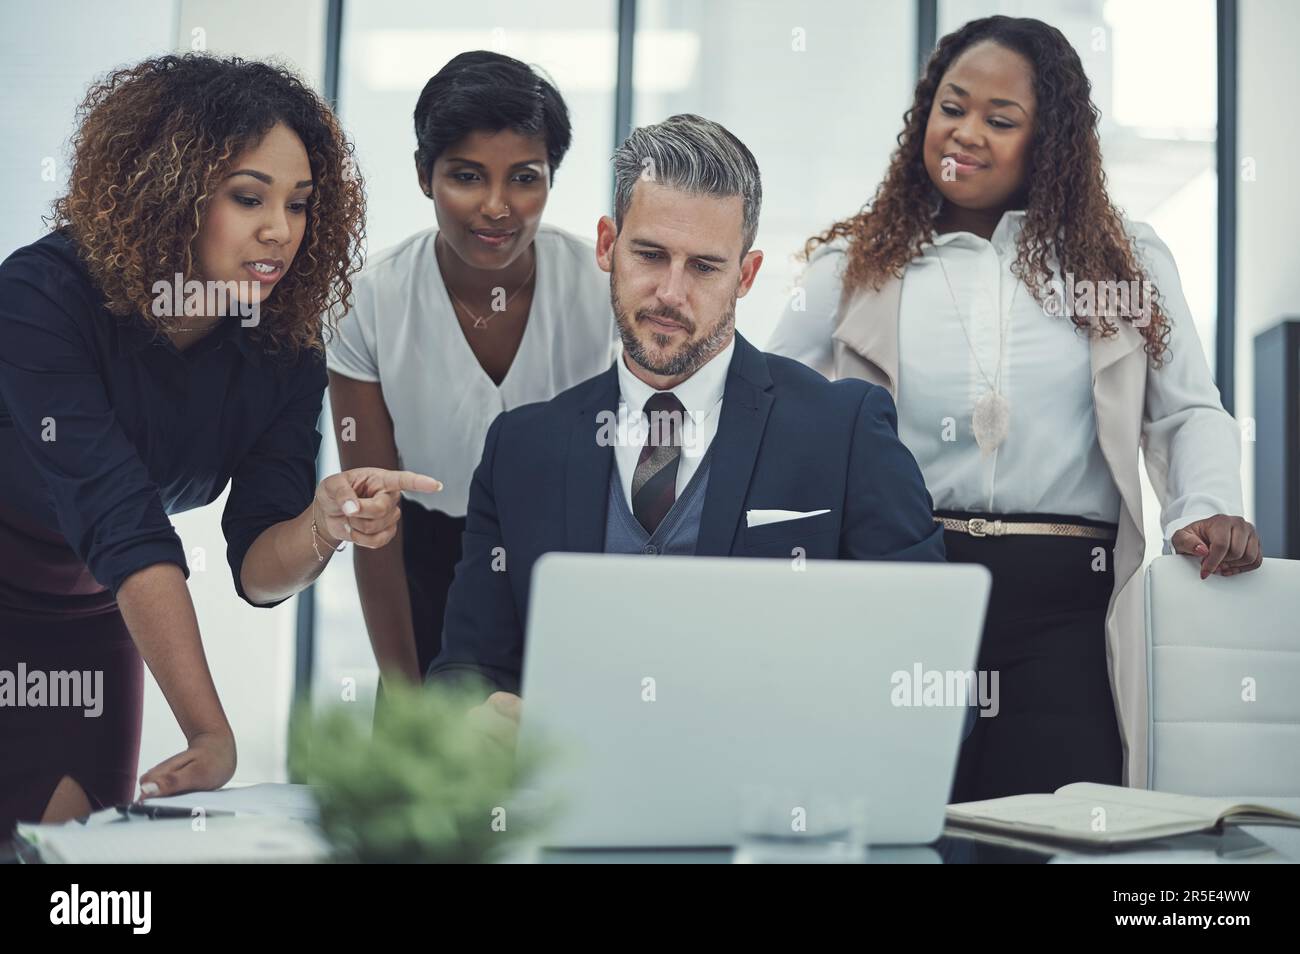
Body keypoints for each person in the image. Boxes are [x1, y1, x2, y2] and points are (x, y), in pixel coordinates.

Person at [767, 16, 1259, 798]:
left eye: (1001, 120)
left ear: (1050, 142)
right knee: (905, 825)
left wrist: (1206, 507)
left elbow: (1186, 411)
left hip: (1066, 607)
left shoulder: (1122, 260)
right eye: (951, 107)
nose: (965, 134)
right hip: (903, 592)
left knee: (1057, 824)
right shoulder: (855, 263)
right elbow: (773, 410)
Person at [0, 54, 435, 833]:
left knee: (71, 876)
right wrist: (209, 731)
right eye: (248, 197)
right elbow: (121, 517)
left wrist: (320, 525)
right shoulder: (40, 300)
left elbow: (257, 572)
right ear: (168, 192)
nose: (280, 230)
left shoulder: (284, 349)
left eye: (300, 205)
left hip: (89, 619)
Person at [425, 113, 945, 742]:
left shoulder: (845, 431)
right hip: (567, 817)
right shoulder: (521, 449)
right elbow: (465, 668)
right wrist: (477, 723)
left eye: (703, 267)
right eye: (649, 254)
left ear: (746, 277)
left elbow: (933, 676)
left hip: (770, 819)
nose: (671, 292)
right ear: (606, 245)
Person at [327, 51, 617, 689]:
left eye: (524, 177)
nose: (497, 206)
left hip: (566, 568)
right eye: (466, 175)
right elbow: (374, 520)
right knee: (430, 776)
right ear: (425, 176)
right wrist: (404, 694)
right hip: (425, 572)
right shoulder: (366, 302)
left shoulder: (604, 291)